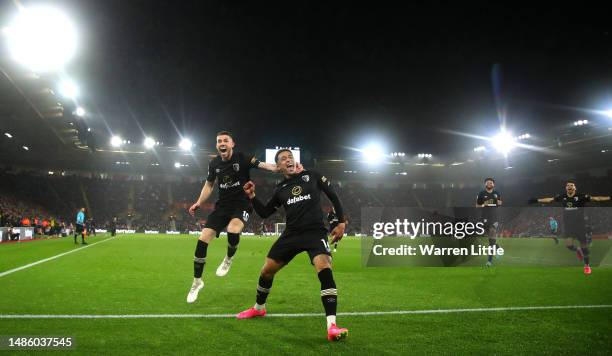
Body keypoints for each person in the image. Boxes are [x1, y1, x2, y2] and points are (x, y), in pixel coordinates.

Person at [236, 149, 349, 342]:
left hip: (315, 232)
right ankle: (259, 308)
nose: (288, 160)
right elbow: (264, 213)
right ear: (278, 167)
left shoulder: (311, 175)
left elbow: (333, 195)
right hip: (292, 234)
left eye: (290, 157)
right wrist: (252, 195)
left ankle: (332, 326)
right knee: (266, 271)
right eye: (283, 159)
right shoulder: (280, 189)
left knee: (324, 266)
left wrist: (341, 222)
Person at [186, 131, 302, 303]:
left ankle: (228, 258)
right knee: (202, 240)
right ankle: (197, 282)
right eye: (219, 141)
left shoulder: (243, 158)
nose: (222, 143)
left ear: (232, 144)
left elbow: (264, 165)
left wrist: (281, 167)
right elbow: (209, 185)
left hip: (241, 205)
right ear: (217, 145)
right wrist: (198, 202)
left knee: (233, 230)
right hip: (222, 207)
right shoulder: (214, 163)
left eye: (226, 140)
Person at [529, 180, 610, 274]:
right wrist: (536, 200)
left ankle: (587, 266)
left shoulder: (581, 196)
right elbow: (550, 200)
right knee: (569, 245)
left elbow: (597, 199)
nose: (569, 186)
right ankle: (577, 250)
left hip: (580, 225)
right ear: (566, 188)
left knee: (585, 247)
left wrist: (609, 197)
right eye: (568, 185)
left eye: (571, 185)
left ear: (574, 188)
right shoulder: (562, 197)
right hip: (569, 226)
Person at [476, 178, 502, 266]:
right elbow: (477, 205)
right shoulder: (481, 193)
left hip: (494, 218)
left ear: (493, 184)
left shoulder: (496, 193)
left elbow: (499, 203)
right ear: (485, 184)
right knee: (491, 239)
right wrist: (484, 204)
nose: (490, 184)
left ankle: (489, 261)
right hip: (484, 218)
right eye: (488, 183)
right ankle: (498, 248)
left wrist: (498, 202)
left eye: (491, 183)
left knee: (491, 239)